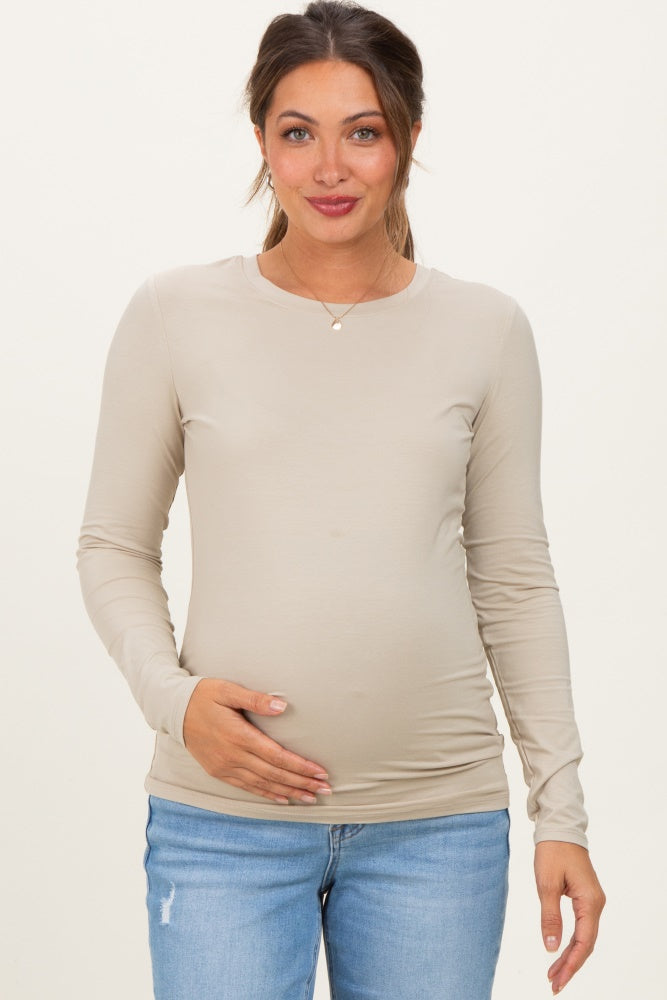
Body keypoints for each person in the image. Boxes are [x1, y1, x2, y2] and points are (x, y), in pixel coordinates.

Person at [75, 2, 605, 997]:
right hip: (221, 827)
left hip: (437, 829)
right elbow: (111, 544)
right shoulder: (174, 314)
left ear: (407, 138)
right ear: (261, 143)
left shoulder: (485, 329)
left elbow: (513, 577)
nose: (329, 167)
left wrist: (560, 812)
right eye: (297, 133)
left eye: (362, 132)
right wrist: (174, 703)